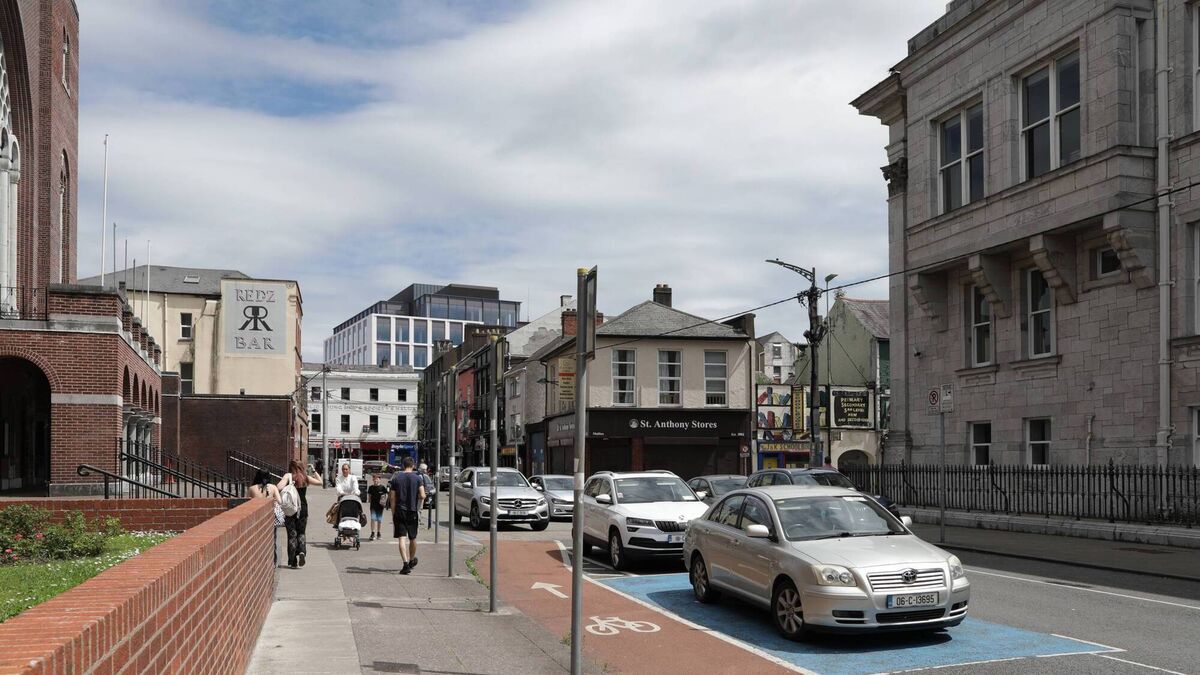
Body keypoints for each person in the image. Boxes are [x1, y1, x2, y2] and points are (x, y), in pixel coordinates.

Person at [279, 460, 321, 569]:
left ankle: (293, 561)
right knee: (301, 533)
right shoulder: (305, 477)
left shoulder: (288, 476)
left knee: (292, 534)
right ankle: (302, 551)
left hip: (291, 509)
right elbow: (320, 482)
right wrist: (314, 470)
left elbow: (279, 487)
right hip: (303, 509)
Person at [389, 456, 425, 575]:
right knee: (413, 538)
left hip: (400, 510)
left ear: (403, 466)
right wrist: (415, 497)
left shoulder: (396, 479)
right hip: (412, 511)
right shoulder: (418, 478)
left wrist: (393, 512)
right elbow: (422, 495)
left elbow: (392, 497)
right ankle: (411, 560)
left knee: (402, 538)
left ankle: (405, 564)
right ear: (413, 465)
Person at [249, 470, 282, 566]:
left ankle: (259, 561)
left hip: (257, 518)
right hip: (270, 517)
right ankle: (273, 561)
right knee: (272, 539)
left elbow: (247, 503)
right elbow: (280, 501)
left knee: (258, 540)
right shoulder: (273, 487)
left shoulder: (252, 488)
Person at [366, 475, 388, 541]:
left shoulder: (382, 487)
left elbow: (386, 495)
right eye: (374, 479)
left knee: (379, 520)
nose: (375, 480)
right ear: (373, 480)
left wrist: (384, 502)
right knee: (373, 519)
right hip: (373, 506)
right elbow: (369, 497)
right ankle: (372, 533)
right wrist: (370, 501)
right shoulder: (371, 487)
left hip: (380, 506)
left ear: (379, 479)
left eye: (377, 479)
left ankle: (378, 533)